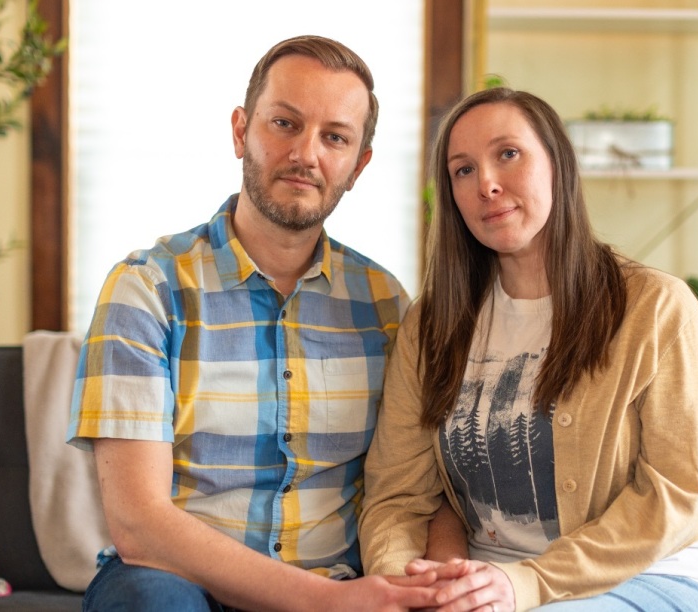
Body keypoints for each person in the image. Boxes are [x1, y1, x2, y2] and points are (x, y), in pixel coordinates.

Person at [66, 35, 442, 611]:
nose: (306, 154)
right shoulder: (146, 289)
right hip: (179, 582)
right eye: (285, 124)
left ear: (358, 163)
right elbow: (138, 525)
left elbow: (411, 487)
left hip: (341, 582)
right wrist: (321, 602)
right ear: (241, 130)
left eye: (334, 137)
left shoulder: (387, 305)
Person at [358, 87, 698, 611]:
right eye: (463, 170)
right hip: (492, 589)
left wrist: (527, 584)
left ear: (558, 164)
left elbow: (672, 496)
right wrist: (411, 589)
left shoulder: (657, 308)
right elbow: (398, 497)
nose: (487, 184)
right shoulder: (432, 325)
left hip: (654, 579)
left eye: (508, 154)